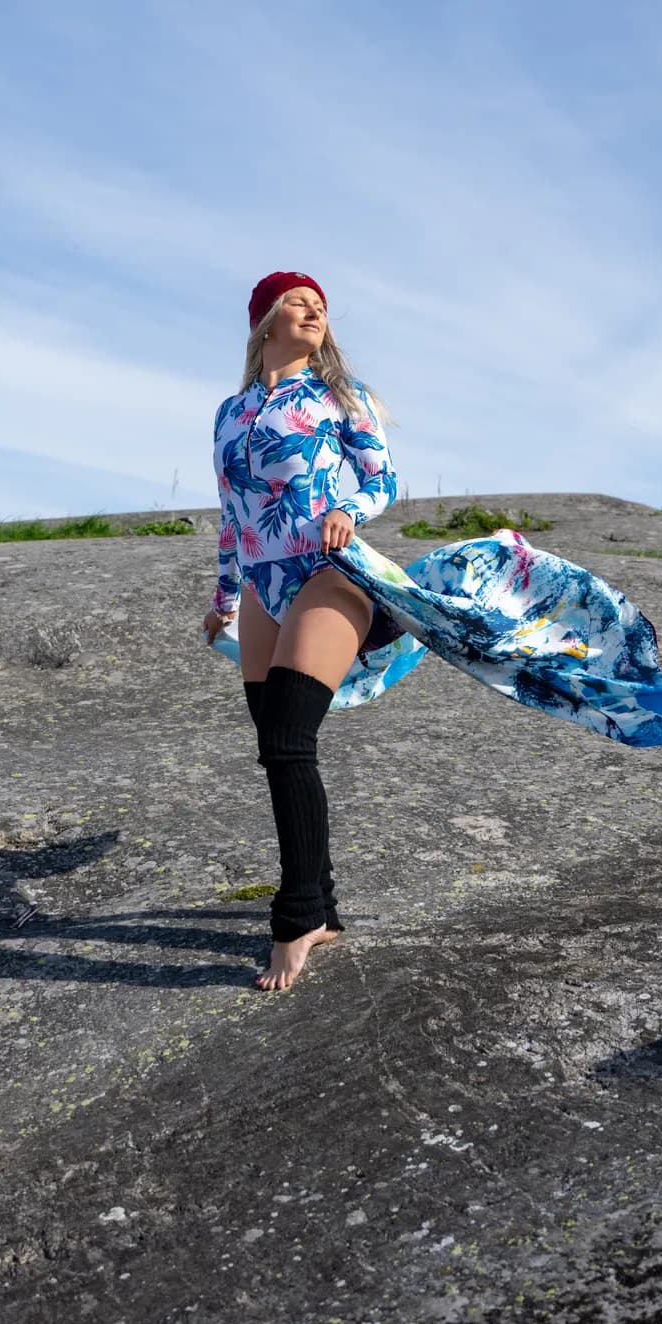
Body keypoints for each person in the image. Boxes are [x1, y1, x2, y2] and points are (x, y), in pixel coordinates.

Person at [202, 270, 395, 992]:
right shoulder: (230, 411)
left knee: (290, 740)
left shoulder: (342, 397)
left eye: (321, 306)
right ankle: (329, 906)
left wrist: (352, 509)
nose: (314, 310)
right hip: (260, 581)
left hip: (329, 570)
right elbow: (232, 514)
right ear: (264, 321)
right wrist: (224, 595)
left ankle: (298, 918)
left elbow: (382, 480)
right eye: (297, 301)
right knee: (275, 750)